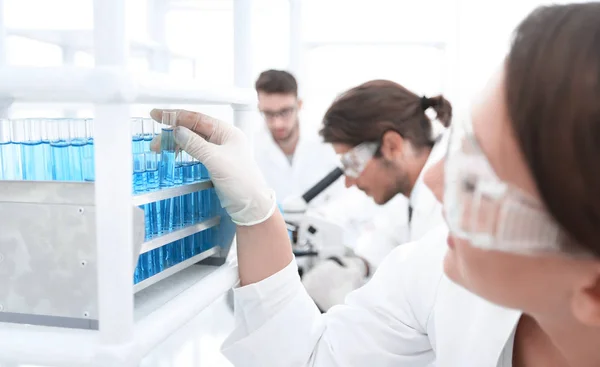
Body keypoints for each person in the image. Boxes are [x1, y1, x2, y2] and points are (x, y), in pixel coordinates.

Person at [153, 4, 600, 365]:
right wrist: (257, 212)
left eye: (481, 179)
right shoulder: (432, 270)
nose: (438, 182)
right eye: (466, 143)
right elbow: (309, 358)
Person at [300, 80, 453, 310]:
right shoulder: (409, 195)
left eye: (351, 164)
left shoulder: (447, 201)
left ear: (392, 146)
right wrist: (358, 265)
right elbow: (388, 242)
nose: (349, 182)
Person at [252, 69, 343, 207]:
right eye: (268, 113)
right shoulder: (251, 149)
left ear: (299, 105)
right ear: (260, 108)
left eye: (285, 112)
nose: (278, 123)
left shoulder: (326, 143)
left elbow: (342, 198)